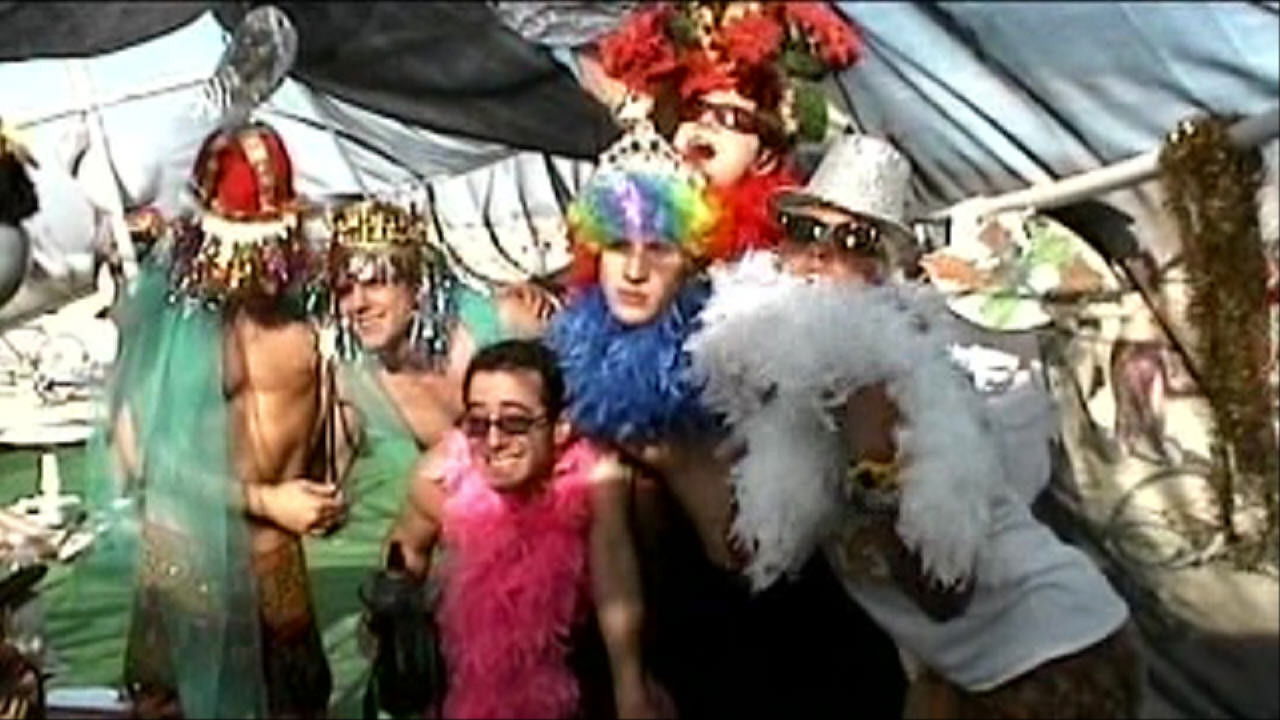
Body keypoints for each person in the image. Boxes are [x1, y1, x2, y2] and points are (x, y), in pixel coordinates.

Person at [687, 132, 1144, 718]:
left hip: (1055, 655)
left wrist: (874, 469)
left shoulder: (908, 384)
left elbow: (944, 594)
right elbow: (748, 543)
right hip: (966, 670)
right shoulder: (797, 382)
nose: (820, 253)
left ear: (882, 273)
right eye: (804, 230)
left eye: (852, 239)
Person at [543, 120, 906, 716]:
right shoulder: (576, 357)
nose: (634, 271)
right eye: (618, 246)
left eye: (659, 248)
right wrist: (629, 676)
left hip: (787, 622)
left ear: (689, 261)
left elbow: (745, 537)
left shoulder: (731, 342)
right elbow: (607, 530)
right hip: (674, 621)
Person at [87, 121, 343, 718]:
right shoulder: (170, 321)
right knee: (169, 706)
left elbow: (335, 424)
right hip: (187, 556)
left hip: (273, 555)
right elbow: (141, 457)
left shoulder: (313, 316)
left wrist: (328, 493)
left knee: (296, 703)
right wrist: (267, 499)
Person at [385, 339, 666, 719]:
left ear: (560, 427)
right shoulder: (439, 484)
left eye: (515, 422)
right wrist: (395, 627)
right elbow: (404, 553)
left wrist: (631, 686)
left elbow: (615, 576)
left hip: (586, 676)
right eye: (478, 423)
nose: (494, 441)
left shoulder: (597, 481)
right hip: (474, 688)